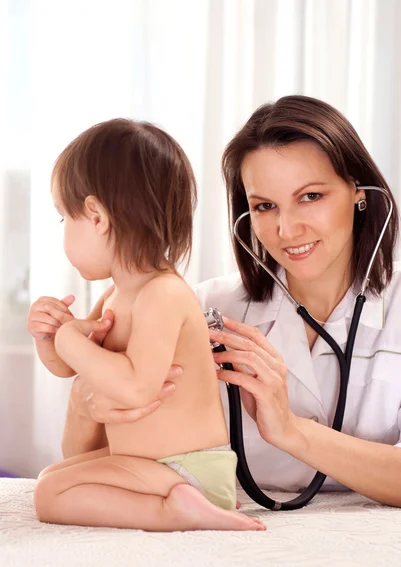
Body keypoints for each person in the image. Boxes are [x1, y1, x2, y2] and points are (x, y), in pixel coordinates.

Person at [62, 96, 401, 508]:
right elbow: (94, 466)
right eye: (264, 206)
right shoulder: (203, 308)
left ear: (358, 192)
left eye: (311, 196)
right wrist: (84, 403)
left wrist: (290, 430)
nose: (287, 228)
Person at [28, 118, 266, 532]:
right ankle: (178, 504)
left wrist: (68, 336)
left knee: (51, 495)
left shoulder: (164, 294)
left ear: (96, 215)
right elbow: (75, 366)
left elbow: (137, 386)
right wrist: (51, 338)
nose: (64, 233)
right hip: (151, 466)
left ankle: (172, 512)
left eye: (64, 220)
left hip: (184, 469)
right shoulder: (118, 295)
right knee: (52, 477)